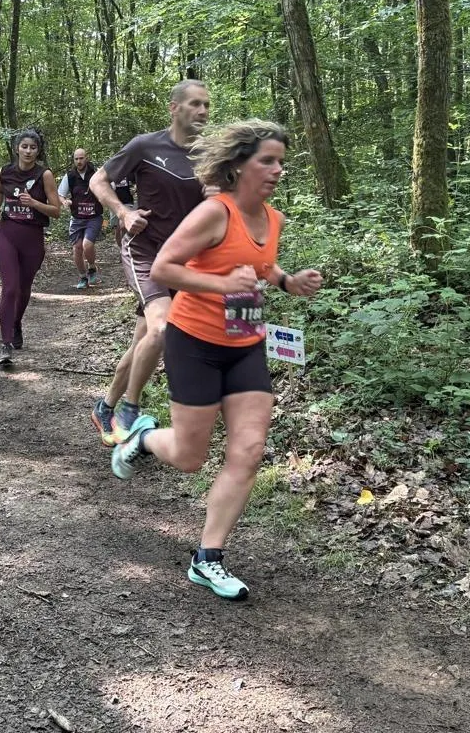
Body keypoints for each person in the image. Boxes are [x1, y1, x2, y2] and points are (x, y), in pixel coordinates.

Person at [108, 120, 323, 601]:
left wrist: (288, 281)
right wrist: (222, 284)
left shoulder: (273, 219)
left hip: (245, 342)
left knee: (248, 450)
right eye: (267, 160)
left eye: (281, 162)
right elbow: (164, 267)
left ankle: (208, 558)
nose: (278, 170)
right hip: (195, 343)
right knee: (190, 457)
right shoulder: (213, 212)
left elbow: (261, 265)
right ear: (239, 165)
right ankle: (144, 438)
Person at [87, 80, 211, 446]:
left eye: (206, 104)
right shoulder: (145, 145)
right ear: (174, 108)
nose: (203, 111)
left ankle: (105, 407)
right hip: (144, 250)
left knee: (146, 338)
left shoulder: (210, 155)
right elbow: (99, 180)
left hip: (182, 259)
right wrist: (123, 212)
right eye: (195, 104)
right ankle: (130, 411)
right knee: (162, 329)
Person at [0, 129, 61, 368]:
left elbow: (56, 211)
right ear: (17, 148)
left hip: (32, 238)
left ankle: (16, 322)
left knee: (23, 288)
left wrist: (34, 203)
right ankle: (5, 343)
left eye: (33, 147)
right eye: (24, 146)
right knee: (10, 287)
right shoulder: (5, 171)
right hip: (7, 234)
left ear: (38, 151)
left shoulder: (44, 175)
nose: (28, 151)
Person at [57, 148, 102, 289]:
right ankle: (83, 277)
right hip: (77, 218)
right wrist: (64, 201)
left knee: (87, 245)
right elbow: (60, 194)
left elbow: (109, 186)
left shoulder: (96, 173)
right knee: (77, 248)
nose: (79, 161)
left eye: (81, 158)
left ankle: (92, 268)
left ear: (86, 158)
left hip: (94, 217)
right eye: (76, 159)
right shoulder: (70, 176)